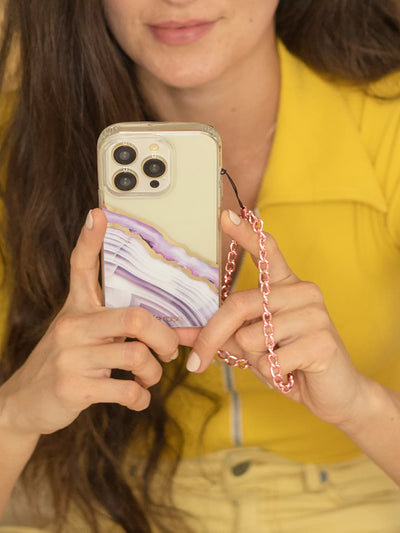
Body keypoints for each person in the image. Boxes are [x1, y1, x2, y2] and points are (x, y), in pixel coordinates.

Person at [0, 0, 400, 531]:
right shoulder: (17, 146)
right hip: (105, 502)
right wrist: (14, 416)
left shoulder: (388, 123)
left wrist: (361, 406)